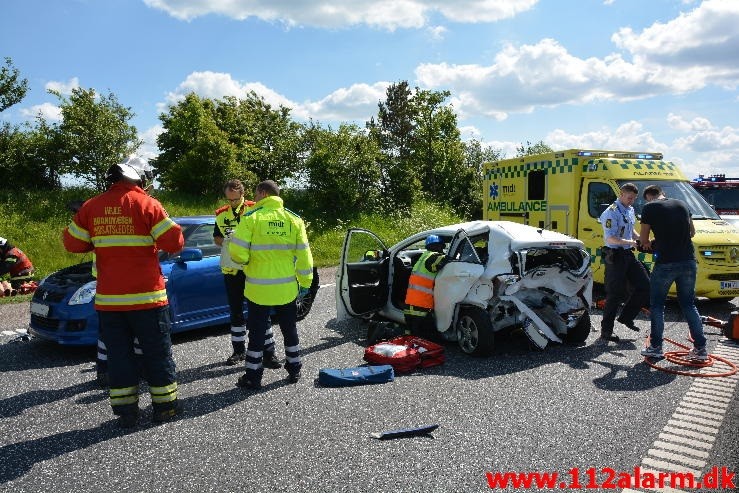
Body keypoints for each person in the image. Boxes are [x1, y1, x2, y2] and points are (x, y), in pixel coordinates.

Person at [63, 156, 185, 427]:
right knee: (157, 354)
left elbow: (72, 243)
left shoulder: (92, 206)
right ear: (139, 178)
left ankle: (126, 413)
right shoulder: (147, 204)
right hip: (148, 300)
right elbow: (175, 241)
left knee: (118, 357)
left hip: (110, 303)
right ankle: (165, 408)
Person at [229, 180, 313, 389]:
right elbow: (304, 256)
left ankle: (253, 377)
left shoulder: (252, 218)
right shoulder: (294, 219)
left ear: (263, 193)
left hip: (258, 289)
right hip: (286, 289)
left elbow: (237, 253)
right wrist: (305, 283)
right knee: (289, 329)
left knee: (257, 333)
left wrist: (248, 263)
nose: (255, 199)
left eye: (256, 195)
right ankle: (294, 369)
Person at [213, 179, 281, 369]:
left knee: (260, 312)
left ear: (243, 195)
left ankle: (269, 353)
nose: (233, 203)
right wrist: (228, 239)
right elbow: (216, 239)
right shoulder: (221, 214)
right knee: (236, 313)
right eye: (229, 200)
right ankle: (238, 351)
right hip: (232, 269)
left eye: (235, 199)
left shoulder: (255, 209)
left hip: (254, 269)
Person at [639, 185, 707, 361]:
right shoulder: (682, 204)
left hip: (666, 263)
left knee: (657, 305)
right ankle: (700, 348)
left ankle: (656, 347)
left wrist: (650, 242)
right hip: (688, 261)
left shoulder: (649, 207)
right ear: (663, 194)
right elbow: (692, 232)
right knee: (688, 304)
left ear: (649, 197)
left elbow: (644, 240)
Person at [597, 182, 650, 344]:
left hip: (627, 254)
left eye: (634, 199)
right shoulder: (610, 213)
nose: (631, 201)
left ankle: (626, 317)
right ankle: (606, 331)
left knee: (645, 285)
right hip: (615, 255)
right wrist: (631, 242)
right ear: (621, 194)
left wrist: (639, 239)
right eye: (629, 198)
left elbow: (630, 229)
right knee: (614, 294)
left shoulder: (629, 209)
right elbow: (610, 238)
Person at [403, 235, 449, 337]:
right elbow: (446, 260)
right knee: (430, 338)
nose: (442, 249)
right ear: (437, 246)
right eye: (441, 247)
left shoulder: (423, 257)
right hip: (421, 307)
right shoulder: (433, 257)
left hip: (410, 304)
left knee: (411, 333)